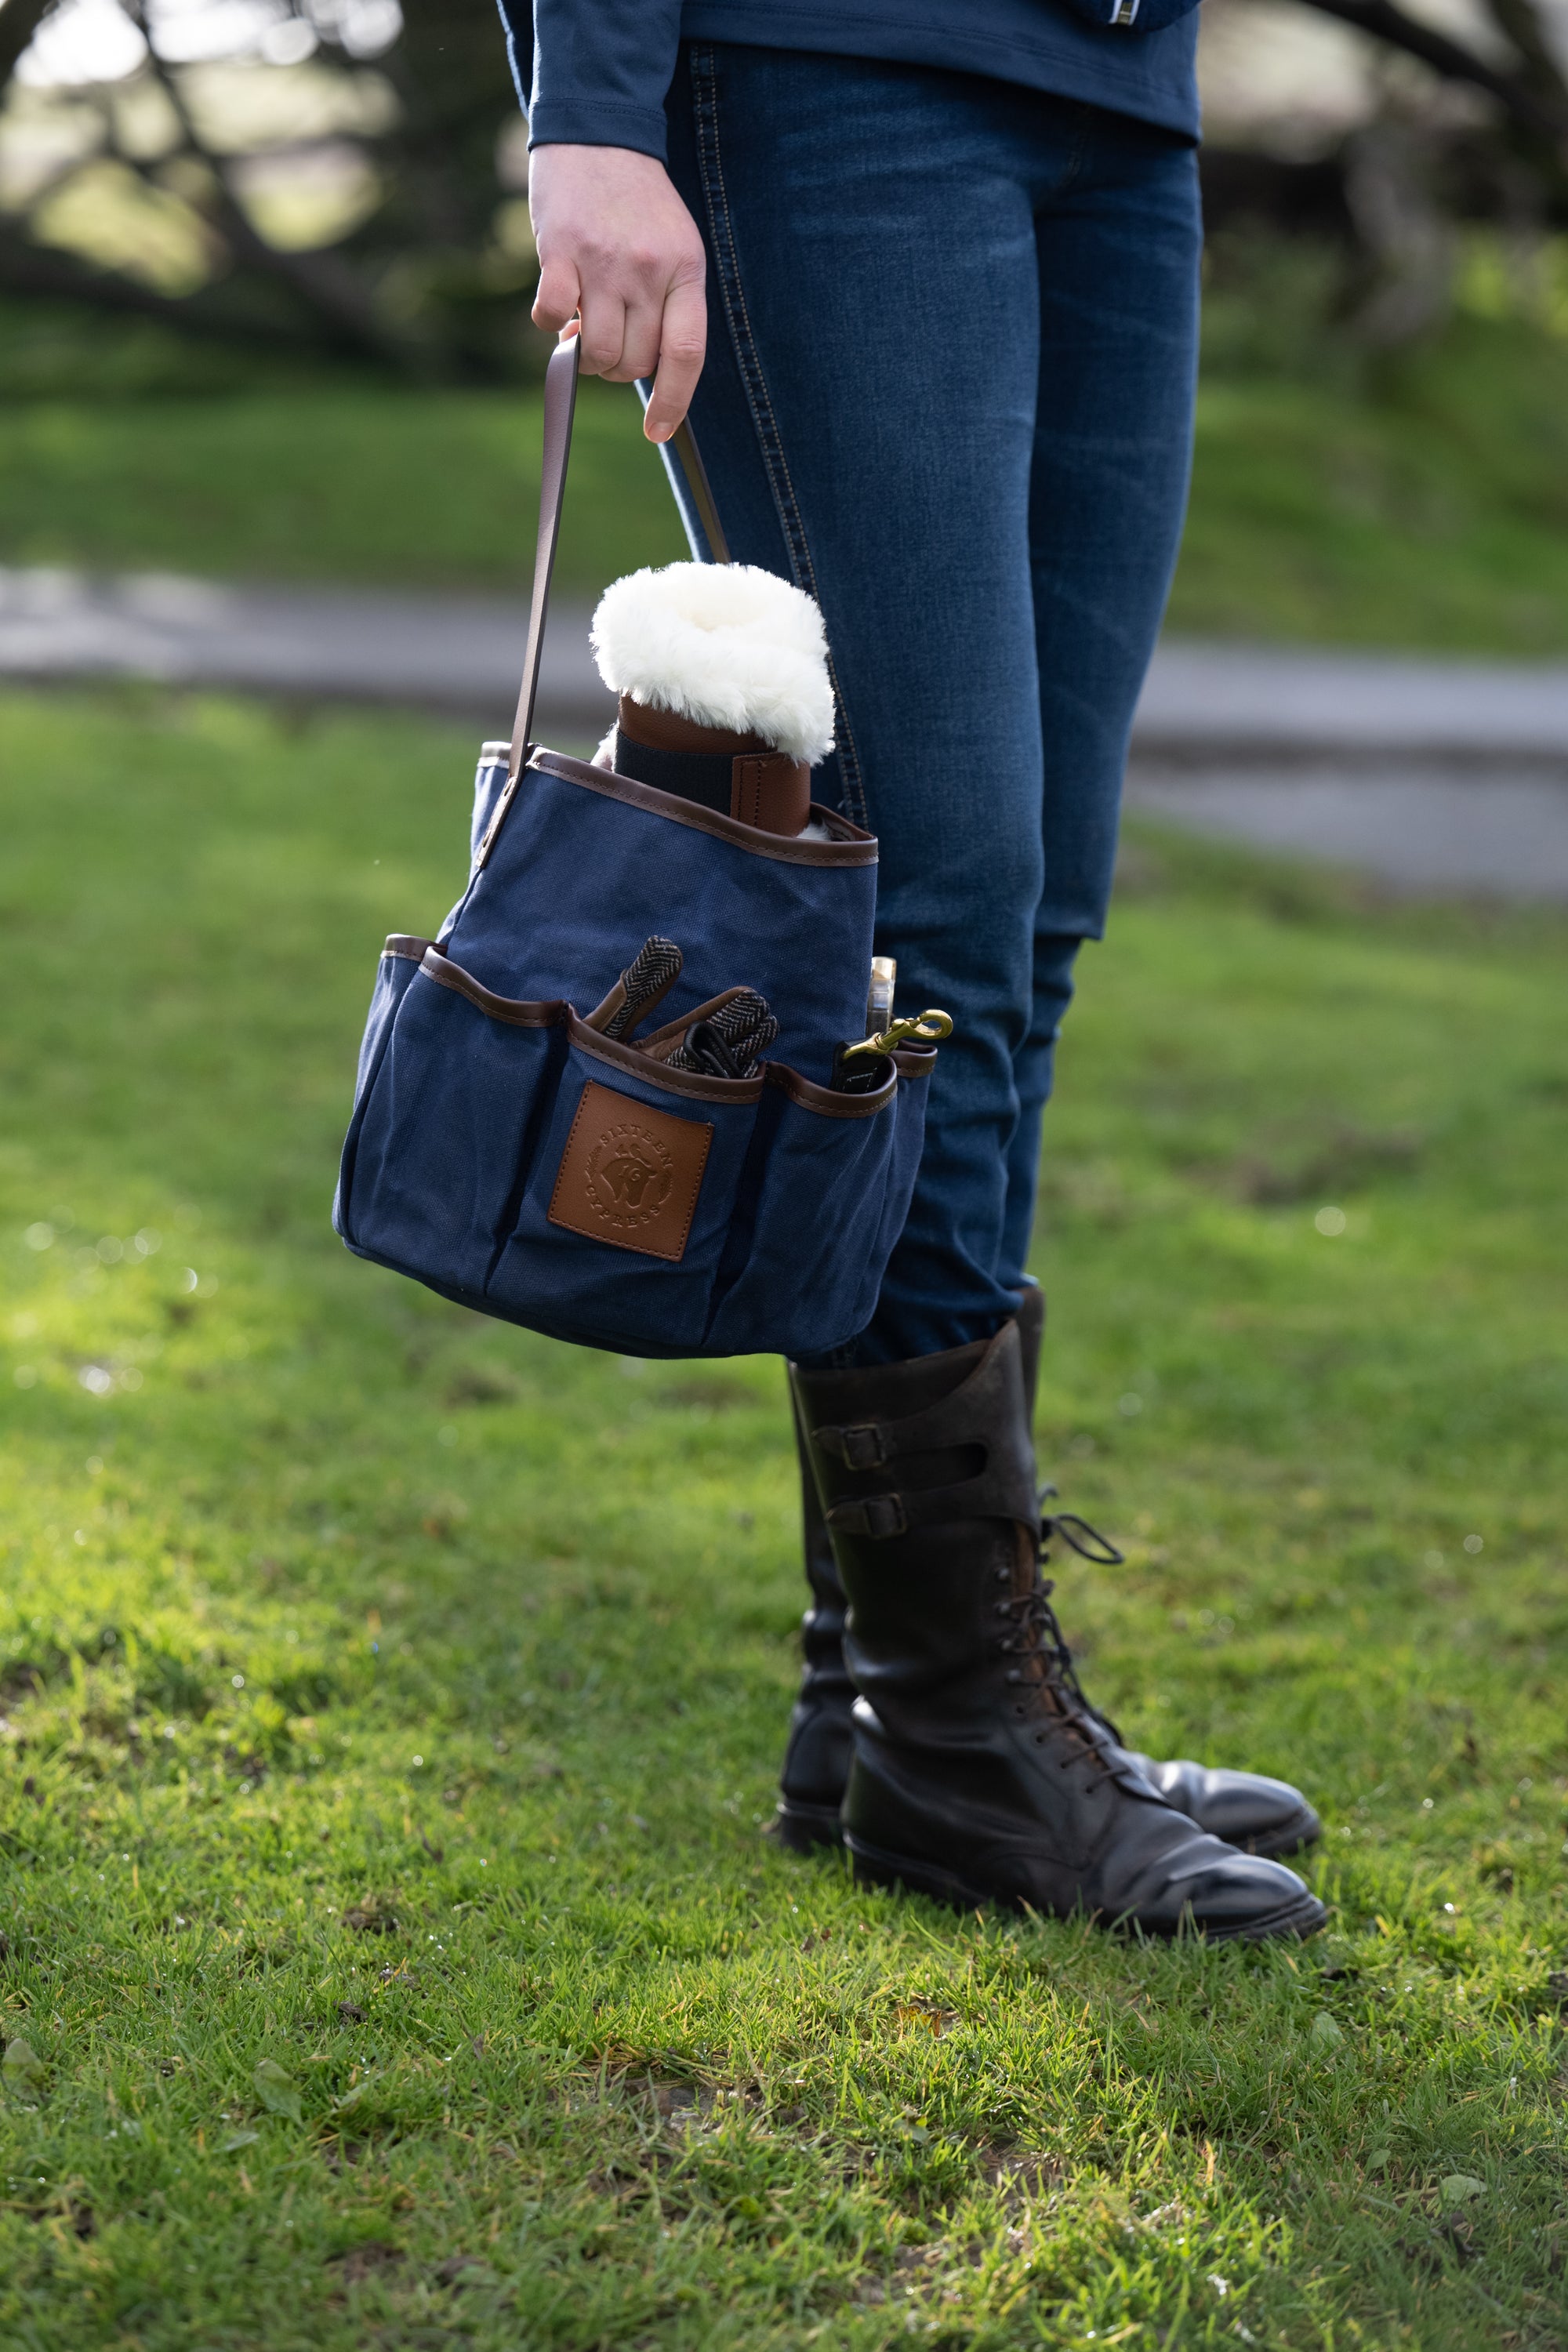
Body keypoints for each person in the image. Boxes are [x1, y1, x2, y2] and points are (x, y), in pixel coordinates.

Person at [500, 0, 1327, 1940]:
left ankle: (874, 1693)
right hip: (827, 64)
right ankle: (958, 1742)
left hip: (1122, 98)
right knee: (927, 908)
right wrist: (594, 112)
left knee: (1019, 924)